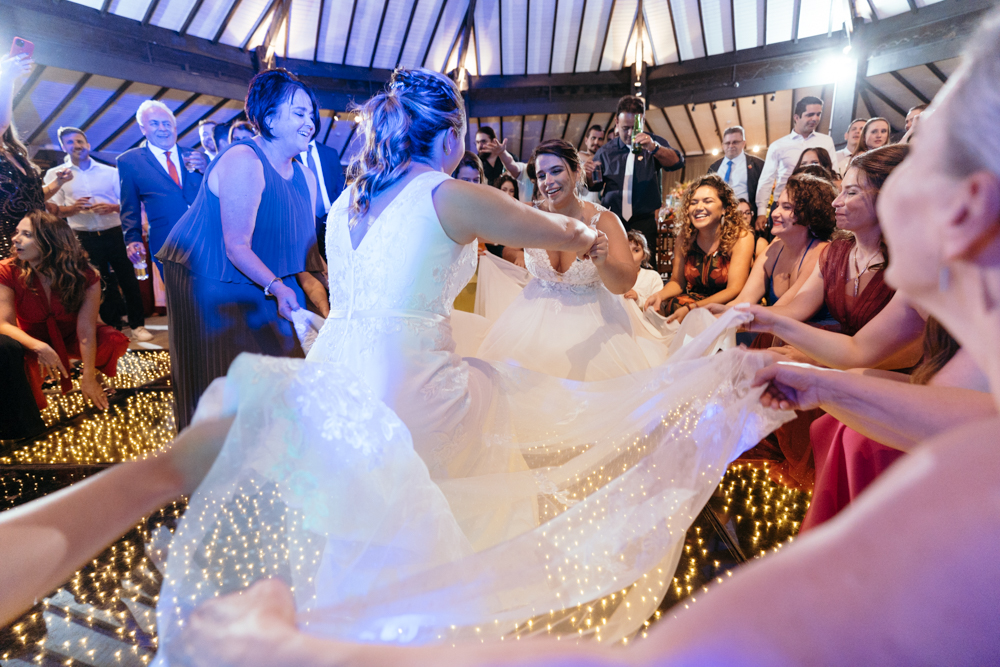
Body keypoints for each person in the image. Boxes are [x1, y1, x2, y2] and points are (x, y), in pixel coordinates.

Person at [147, 67, 788, 663]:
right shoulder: (446, 193)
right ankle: (441, 623)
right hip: (408, 382)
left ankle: (359, 626)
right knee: (493, 409)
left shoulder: (347, 201)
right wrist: (595, 234)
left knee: (359, 522)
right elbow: (551, 229)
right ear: (451, 133)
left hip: (335, 384)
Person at [156, 68, 326, 431]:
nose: (310, 122)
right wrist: (277, 287)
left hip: (261, 269)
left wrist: (327, 288)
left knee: (286, 357)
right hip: (207, 273)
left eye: (311, 114)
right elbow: (236, 246)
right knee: (224, 372)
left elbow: (305, 253)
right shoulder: (244, 161)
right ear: (269, 119)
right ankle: (212, 445)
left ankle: (270, 439)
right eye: (299, 113)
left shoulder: (306, 176)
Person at [475, 139, 649, 380]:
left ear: (577, 172)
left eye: (556, 171)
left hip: (592, 324)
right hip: (532, 322)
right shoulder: (528, 213)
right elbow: (501, 243)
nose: (548, 181)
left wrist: (604, 261)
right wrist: (517, 254)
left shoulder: (605, 220)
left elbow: (625, 283)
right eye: (541, 175)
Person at [0, 211, 129, 425]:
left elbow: (86, 330)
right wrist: (39, 347)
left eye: (27, 234)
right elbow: (4, 324)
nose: (15, 239)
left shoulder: (84, 274)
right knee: (15, 361)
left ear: (50, 242)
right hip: (31, 339)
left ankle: (96, 374)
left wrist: (88, 375)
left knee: (112, 339)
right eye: (17, 232)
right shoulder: (7, 270)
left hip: (71, 337)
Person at [44, 126, 152, 342]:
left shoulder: (109, 172)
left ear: (88, 144)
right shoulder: (55, 175)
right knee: (97, 284)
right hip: (83, 237)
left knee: (129, 280)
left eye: (79, 141)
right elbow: (50, 210)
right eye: (70, 142)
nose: (76, 145)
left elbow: (130, 204)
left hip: (116, 233)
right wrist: (72, 209)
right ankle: (112, 328)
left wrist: (112, 207)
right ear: (63, 147)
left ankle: (138, 325)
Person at [710, 174, 836, 317]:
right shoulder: (773, 249)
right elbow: (744, 299)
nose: (775, 213)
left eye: (786, 207)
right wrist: (713, 313)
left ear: (810, 214)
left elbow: (786, 312)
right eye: (777, 206)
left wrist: (723, 318)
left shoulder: (821, 252)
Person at [644, 174, 755, 322]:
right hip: (693, 300)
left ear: (725, 208)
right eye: (693, 202)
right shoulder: (684, 238)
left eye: (707, 201)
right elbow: (677, 282)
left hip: (727, 303)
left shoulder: (741, 237)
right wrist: (659, 295)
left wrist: (693, 308)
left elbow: (734, 289)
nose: (699, 207)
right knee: (670, 306)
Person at [589, 96, 683, 268]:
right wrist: (589, 174)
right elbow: (594, 185)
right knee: (612, 267)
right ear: (616, 122)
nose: (630, 133)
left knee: (646, 269)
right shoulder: (605, 151)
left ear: (643, 121)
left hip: (644, 221)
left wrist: (654, 148)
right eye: (625, 128)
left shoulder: (653, 143)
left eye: (635, 128)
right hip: (613, 220)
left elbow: (677, 162)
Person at [117, 99, 207, 274]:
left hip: (206, 238)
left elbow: (216, 194)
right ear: (143, 129)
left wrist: (207, 170)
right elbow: (129, 206)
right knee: (179, 290)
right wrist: (133, 239)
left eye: (167, 124)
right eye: (154, 123)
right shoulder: (130, 161)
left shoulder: (198, 157)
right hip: (167, 243)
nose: (163, 129)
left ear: (175, 128)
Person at [0, 54, 72, 260]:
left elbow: (33, 197)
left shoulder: (16, 154)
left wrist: (58, 183)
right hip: (7, 244)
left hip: (39, 241)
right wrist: (6, 79)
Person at [754, 96, 837, 234]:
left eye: (818, 114)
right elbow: (766, 179)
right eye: (810, 114)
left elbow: (833, 173)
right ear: (796, 117)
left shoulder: (826, 141)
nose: (815, 119)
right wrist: (761, 212)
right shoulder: (778, 145)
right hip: (784, 204)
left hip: (817, 205)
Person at [300, 132, 345, 261]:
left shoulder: (330, 153)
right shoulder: (289, 153)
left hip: (330, 217)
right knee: (308, 263)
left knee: (333, 260)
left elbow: (341, 186)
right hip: (304, 219)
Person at [707, 126, 765, 218]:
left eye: (735, 142)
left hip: (745, 217)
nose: (731, 146)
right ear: (722, 145)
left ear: (743, 143)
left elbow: (764, 192)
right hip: (719, 216)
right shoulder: (714, 167)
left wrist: (761, 214)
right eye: (727, 143)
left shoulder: (757, 165)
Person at [578, 124, 605, 204]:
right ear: (586, 140)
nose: (596, 142)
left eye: (600, 139)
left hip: (601, 206)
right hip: (582, 205)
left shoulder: (604, 159)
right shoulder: (577, 159)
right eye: (593, 138)